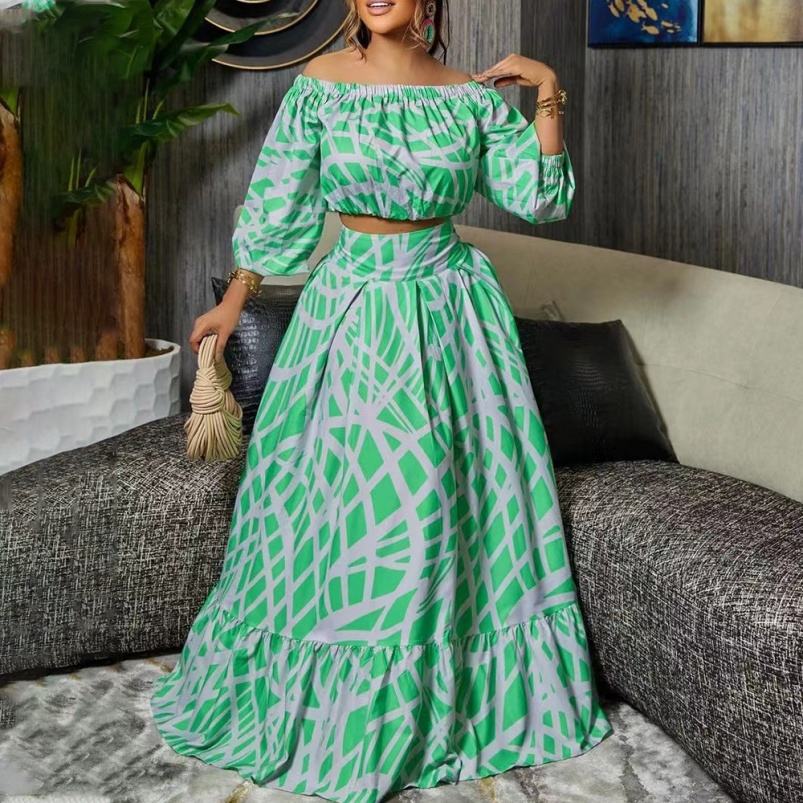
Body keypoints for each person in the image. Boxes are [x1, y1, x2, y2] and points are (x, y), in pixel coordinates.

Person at [150, 1, 613, 800]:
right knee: (337, 502)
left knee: (432, 503)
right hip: (350, 310)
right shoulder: (321, 84)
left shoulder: (466, 98)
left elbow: (540, 198)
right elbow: (279, 198)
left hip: (450, 313)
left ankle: (425, 706)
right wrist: (235, 298)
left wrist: (547, 91)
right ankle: (337, 709)